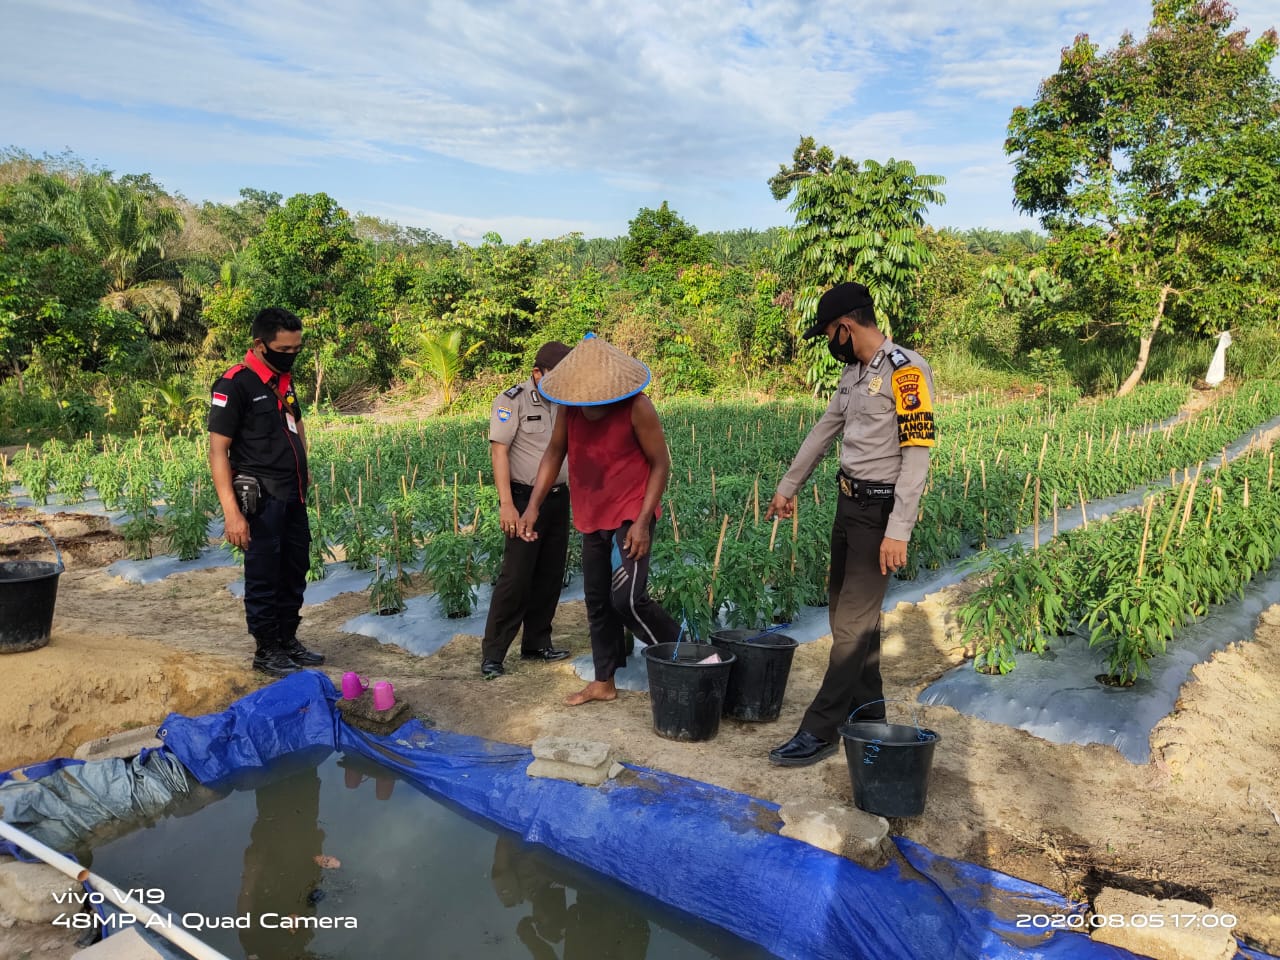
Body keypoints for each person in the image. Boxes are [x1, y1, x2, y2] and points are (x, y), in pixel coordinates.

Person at [765, 282, 935, 766]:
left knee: (851, 626)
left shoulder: (906, 371)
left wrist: (899, 528)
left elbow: (917, 454)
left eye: (830, 334)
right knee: (849, 617)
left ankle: (820, 729)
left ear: (847, 326)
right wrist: (788, 486)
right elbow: (825, 430)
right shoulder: (854, 373)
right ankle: (868, 713)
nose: (830, 343)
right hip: (848, 506)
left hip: (879, 514)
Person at [516, 335, 681, 706]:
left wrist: (642, 521)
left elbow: (660, 464)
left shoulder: (637, 407)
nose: (587, 405)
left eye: (594, 397)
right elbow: (554, 453)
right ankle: (604, 681)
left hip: (631, 513)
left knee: (627, 599)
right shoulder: (569, 409)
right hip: (592, 513)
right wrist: (533, 507)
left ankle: (686, 657)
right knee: (597, 600)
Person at [209, 306, 324, 677]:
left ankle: (288, 639)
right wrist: (231, 512)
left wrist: (303, 473)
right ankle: (267, 649)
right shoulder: (234, 384)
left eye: (296, 349)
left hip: (293, 496)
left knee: (295, 568)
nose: (292, 355)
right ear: (260, 345)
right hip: (260, 499)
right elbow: (218, 451)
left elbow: (297, 426)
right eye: (284, 349)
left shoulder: (283, 381)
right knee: (264, 574)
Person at [480, 341, 575, 679]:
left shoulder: (568, 403)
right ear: (537, 373)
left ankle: (537, 643)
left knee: (550, 574)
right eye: (555, 376)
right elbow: (499, 452)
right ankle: (493, 654)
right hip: (521, 499)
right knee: (516, 577)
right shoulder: (511, 401)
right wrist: (507, 504)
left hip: (558, 499)